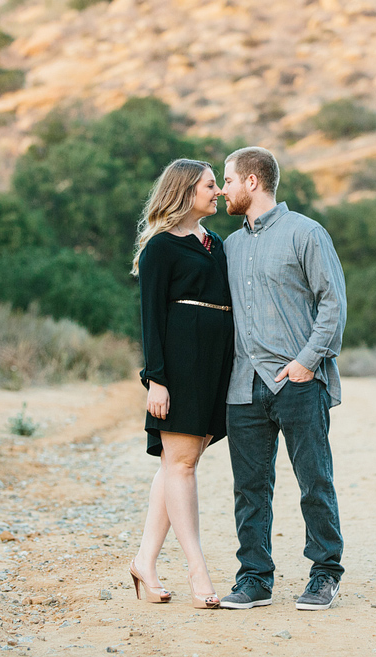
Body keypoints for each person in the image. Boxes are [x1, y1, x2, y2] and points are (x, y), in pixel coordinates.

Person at [217, 146, 349, 612]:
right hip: (242, 386)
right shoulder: (228, 246)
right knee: (249, 489)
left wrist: (307, 363)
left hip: (297, 382)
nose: (223, 189)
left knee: (314, 481)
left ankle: (324, 574)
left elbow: (333, 304)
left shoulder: (306, 233)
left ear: (252, 181)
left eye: (228, 180)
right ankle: (254, 578)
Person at [127, 158, 232, 610]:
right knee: (182, 466)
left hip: (215, 366)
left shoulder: (217, 245)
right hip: (181, 369)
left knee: (176, 464)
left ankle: (143, 562)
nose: (219, 192)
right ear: (186, 190)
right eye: (211, 185)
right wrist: (156, 380)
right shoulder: (160, 249)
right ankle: (197, 567)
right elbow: (151, 318)